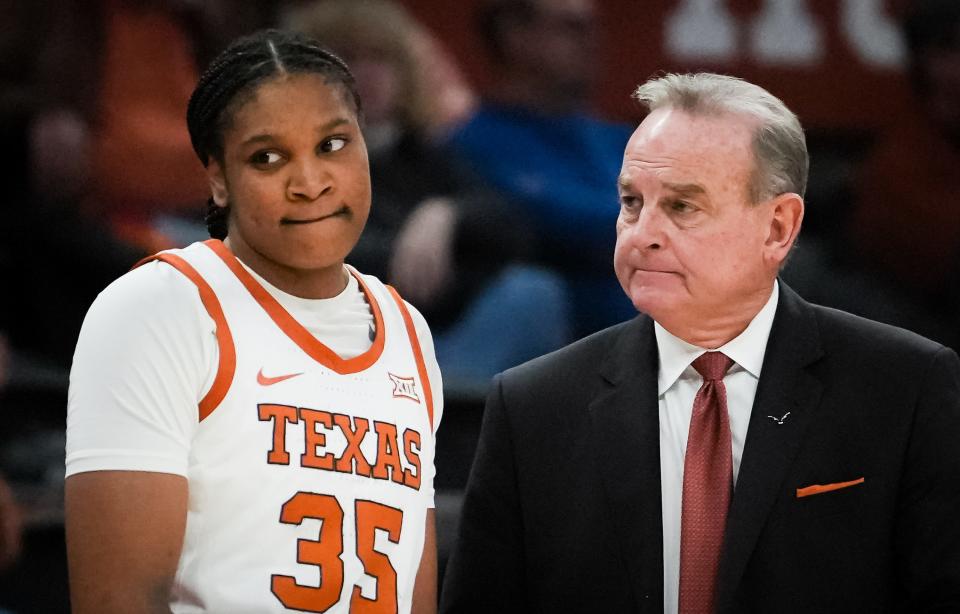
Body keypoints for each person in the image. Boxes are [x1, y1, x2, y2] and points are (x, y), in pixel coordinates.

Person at [440, 73, 960, 613]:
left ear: (779, 227)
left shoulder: (904, 388)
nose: (643, 234)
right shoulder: (532, 405)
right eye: (632, 202)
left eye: (683, 207)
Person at [65, 29, 442, 613]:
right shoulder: (158, 307)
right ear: (218, 179)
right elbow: (117, 599)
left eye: (333, 145)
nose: (310, 183)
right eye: (268, 157)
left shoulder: (408, 330)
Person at [445, 0, 635, 336]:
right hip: (562, 360)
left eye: (592, 27)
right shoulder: (474, 144)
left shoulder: (621, 140)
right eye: (571, 28)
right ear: (515, 36)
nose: (592, 41)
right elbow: (563, 224)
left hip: (667, 350)